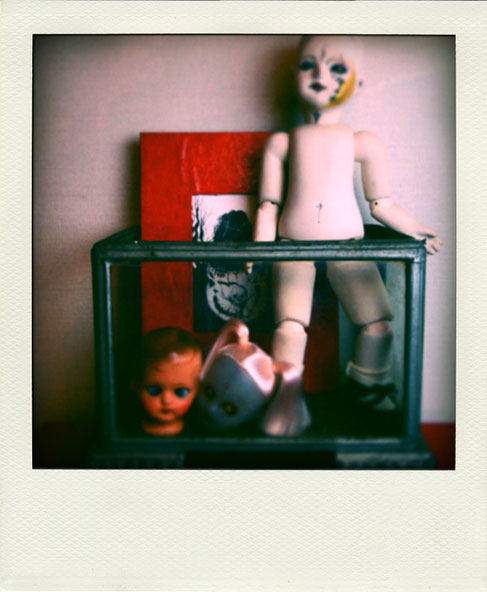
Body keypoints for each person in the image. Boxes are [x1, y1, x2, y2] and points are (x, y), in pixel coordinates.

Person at [250, 35, 442, 410]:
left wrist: (416, 228)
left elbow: (382, 204)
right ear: (294, 74)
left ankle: (367, 391)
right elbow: (268, 206)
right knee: (289, 327)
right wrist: (257, 251)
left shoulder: (363, 142)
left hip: (349, 243)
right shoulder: (281, 143)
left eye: (337, 67)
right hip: (291, 245)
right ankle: (284, 401)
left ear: (359, 81)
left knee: (378, 325)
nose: (321, 76)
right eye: (309, 65)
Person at [132, 327, 202, 436]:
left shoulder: (197, 433)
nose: (166, 400)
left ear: (197, 389)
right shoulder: (127, 431)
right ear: (135, 385)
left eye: (180, 392)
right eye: (155, 390)